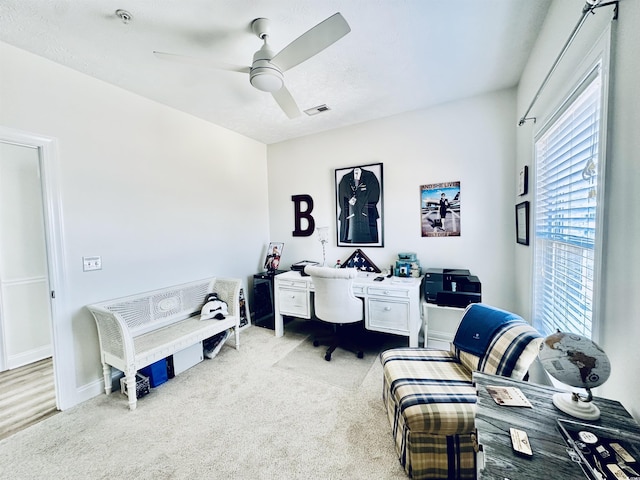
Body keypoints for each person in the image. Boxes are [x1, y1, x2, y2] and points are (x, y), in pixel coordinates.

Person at [337, 167, 380, 243]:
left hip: (367, 216)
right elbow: (342, 198)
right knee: (349, 239)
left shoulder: (370, 176)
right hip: (350, 217)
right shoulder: (345, 178)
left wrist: (363, 209)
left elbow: (374, 196)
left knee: (368, 241)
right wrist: (350, 208)